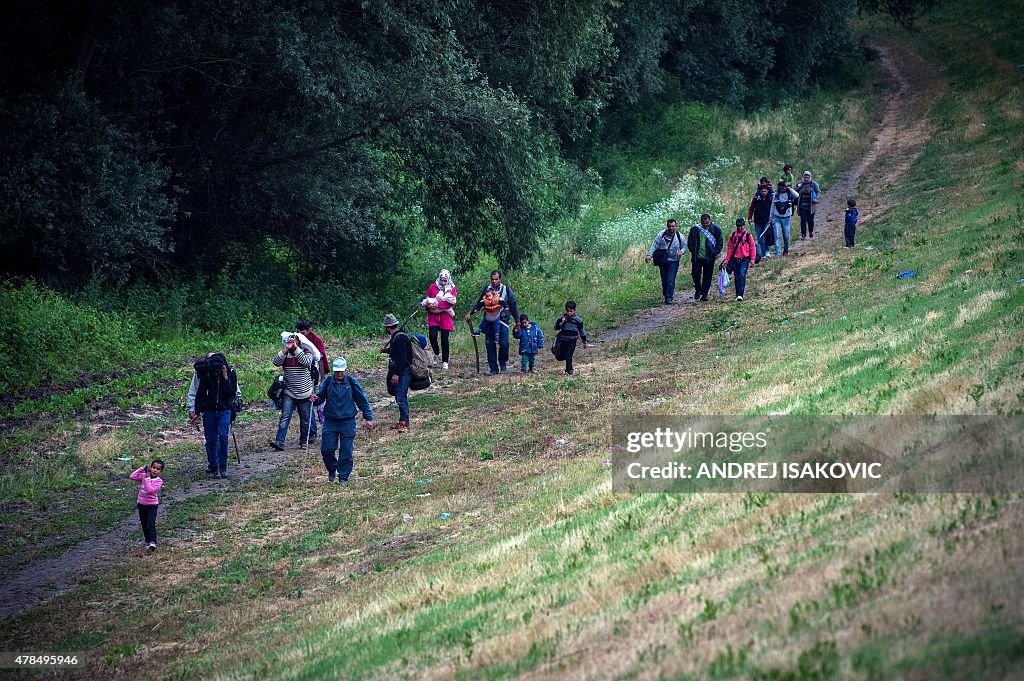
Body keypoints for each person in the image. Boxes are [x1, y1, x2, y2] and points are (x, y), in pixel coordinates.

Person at [313, 357, 374, 485]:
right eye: (337, 371)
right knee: (327, 449)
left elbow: (362, 400)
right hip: (330, 421)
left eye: (341, 371)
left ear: (345, 370)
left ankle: (343, 477)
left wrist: (368, 417)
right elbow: (320, 398)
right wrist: (315, 399)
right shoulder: (328, 382)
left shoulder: (352, 382)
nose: (339, 374)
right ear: (333, 371)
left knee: (346, 451)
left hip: (348, 422)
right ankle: (332, 468)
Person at [187, 352, 241, 479]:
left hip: (225, 410)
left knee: (223, 436)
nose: (215, 373)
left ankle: (223, 466)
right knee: (211, 439)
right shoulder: (206, 373)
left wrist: (226, 378)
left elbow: (231, 394)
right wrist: (197, 411)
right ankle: (213, 466)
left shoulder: (230, 372)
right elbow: (200, 393)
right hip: (209, 411)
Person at [465, 270, 520, 375]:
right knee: (490, 344)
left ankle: (503, 362)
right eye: (492, 279)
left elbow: (513, 305)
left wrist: (517, 322)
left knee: (504, 343)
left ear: (500, 279)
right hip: (489, 320)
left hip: (502, 321)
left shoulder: (506, 290)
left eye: (496, 279)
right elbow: (479, 303)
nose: (494, 281)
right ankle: (493, 368)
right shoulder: (487, 289)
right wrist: (470, 313)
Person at [269, 334, 314, 451]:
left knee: (305, 418)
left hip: (305, 392)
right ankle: (279, 441)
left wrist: (296, 349)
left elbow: (306, 362)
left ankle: (304, 441)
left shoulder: (306, 352)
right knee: (285, 416)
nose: (292, 343)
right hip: (289, 392)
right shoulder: (286, 354)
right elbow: (276, 362)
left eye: (295, 341)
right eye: (290, 341)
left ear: (299, 342)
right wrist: (285, 349)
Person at [296, 321, 327, 442]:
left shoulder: (316, 340)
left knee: (310, 402)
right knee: (306, 405)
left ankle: (312, 432)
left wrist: (323, 379)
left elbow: (321, 359)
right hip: (301, 375)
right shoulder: (296, 339)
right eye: (299, 333)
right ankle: (309, 431)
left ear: (309, 330)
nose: (301, 335)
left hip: (313, 375)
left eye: (303, 332)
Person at [382, 313, 412, 431]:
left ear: (387, 327)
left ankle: (404, 422)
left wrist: (397, 374)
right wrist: (387, 351)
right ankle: (402, 420)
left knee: (400, 396)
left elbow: (402, 358)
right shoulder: (397, 337)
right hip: (401, 370)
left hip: (403, 371)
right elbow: (397, 352)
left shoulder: (399, 338)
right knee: (399, 395)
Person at [645, 218, 686, 304]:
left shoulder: (679, 236)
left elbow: (684, 247)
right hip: (662, 261)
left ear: (676, 226)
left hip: (674, 260)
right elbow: (654, 245)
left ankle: (669, 297)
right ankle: (666, 293)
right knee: (664, 279)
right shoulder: (661, 235)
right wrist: (649, 255)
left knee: (670, 279)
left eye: (673, 226)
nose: (671, 228)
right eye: (669, 226)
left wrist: (681, 252)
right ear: (667, 226)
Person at [422, 269, 457, 370]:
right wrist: (429, 306)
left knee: (444, 339)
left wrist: (438, 305)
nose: (443, 282)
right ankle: (437, 353)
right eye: (441, 280)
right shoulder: (433, 286)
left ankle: (445, 361)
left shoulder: (452, 288)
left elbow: (451, 302)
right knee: (432, 336)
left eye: (445, 280)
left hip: (445, 315)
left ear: (448, 280)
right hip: (433, 315)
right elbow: (427, 297)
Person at [687, 213, 723, 301]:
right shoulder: (695, 229)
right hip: (697, 257)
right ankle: (698, 289)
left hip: (709, 257)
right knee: (695, 273)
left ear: (710, 221)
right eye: (704, 223)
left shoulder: (716, 229)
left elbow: (720, 242)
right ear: (701, 222)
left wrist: (715, 252)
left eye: (707, 223)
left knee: (708, 276)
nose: (705, 225)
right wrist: (693, 250)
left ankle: (705, 294)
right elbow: (690, 241)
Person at [130, 459, 164, 551]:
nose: (155, 470)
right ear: (150, 468)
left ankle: (153, 542)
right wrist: (141, 469)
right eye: (153, 468)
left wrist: (148, 479)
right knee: (144, 524)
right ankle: (148, 541)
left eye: (158, 469)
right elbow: (132, 476)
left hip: (152, 505)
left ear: (161, 471)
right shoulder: (144, 476)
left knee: (150, 524)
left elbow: (150, 490)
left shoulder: (158, 481)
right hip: (141, 504)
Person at [722, 218, 757, 301]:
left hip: (744, 259)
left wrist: (752, 259)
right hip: (735, 259)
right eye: (738, 226)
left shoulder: (748, 236)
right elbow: (730, 248)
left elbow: (752, 247)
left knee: (742, 275)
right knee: (737, 277)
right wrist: (727, 259)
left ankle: (740, 294)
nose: (740, 228)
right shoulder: (733, 236)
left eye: (741, 226)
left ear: (744, 225)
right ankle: (738, 294)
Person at [554, 301, 588, 376]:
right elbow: (556, 327)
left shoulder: (578, 320)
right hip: (563, 340)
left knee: (569, 355)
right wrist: (561, 323)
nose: (569, 313)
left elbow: (581, 331)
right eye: (567, 311)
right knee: (560, 356)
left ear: (574, 310)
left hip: (572, 340)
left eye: (571, 311)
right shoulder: (562, 318)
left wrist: (584, 342)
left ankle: (568, 371)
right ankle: (569, 368)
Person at [771, 180, 800, 256]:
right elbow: (772, 206)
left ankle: (786, 249)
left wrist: (789, 188)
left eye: (783, 187)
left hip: (787, 218)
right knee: (777, 235)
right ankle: (778, 252)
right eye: (781, 188)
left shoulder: (790, 193)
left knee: (786, 235)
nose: (782, 189)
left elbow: (797, 195)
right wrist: (770, 217)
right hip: (777, 217)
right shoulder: (776, 194)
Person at [747, 184, 774, 262]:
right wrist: (749, 217)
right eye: (762, 191)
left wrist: (772, 218)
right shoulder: (756, 198)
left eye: (765, 191)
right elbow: (751, 208)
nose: (763, 193)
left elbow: (774, 208)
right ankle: (761, 253)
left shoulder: (770, 198)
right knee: (759, 238)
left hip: (767, 220)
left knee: (766, 236)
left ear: (767, 191)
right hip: (758, 221)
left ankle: (767, 251)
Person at [795, 171, 821, 240]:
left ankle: (811, 231)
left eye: (807, 177)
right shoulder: (800, 183)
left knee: (810, 220)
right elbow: (795, 192)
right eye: (805, 177)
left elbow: (818, 192)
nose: (806, 179)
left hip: (811, 206)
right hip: (802, 205)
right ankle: (803, 235)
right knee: (803, 220)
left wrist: (816, 198)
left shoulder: (813, 184)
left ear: (810, 177)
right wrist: (798, 187)